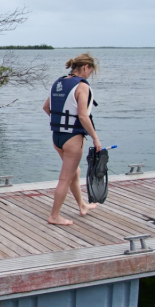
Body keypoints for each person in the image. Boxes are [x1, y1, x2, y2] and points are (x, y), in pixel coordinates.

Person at [42, 53, 102, 225]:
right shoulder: (82, 86)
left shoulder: (59, 82)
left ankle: (82, 205)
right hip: (73, 138)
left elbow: (46, 107)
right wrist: (96, 139)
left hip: (57, 137)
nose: (90, 74)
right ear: (86, 67)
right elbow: (83, 116)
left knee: (74, 172)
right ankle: (54, 216)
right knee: (65, 178)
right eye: (91, 71)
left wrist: (61, 124)